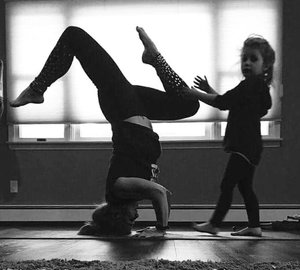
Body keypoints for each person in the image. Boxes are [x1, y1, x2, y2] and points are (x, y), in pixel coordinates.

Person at [10, 26, 199, 237]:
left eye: (129, 219)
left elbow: (160, 193)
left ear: (117, 213)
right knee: (190, 104)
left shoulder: (119, 188)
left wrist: (161, 230)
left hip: (122, 106)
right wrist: (157, 225)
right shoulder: (132, 192)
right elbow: (166, 195)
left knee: (74, 36)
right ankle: (154, 58)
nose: (136, 218)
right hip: (135, 107)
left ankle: (37, 88)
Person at [183, 35, 275, 237]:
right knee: (245, 187)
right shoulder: (258, 88)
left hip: (244, 146)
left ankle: (214, 224)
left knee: (228, 183)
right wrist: (208, 90)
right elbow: (230, 103)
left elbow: (223, 102)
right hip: (252, 147)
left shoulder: (249, 85)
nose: (247, 63)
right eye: (244, 59)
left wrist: (195, 94)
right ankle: (254, 226)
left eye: (253, 59)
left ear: (266, 65)